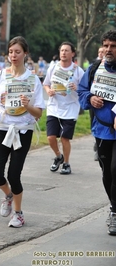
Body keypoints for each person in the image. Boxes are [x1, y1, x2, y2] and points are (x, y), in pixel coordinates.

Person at [0, 36, 45, 228]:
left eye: (17, 52)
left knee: (14, 175)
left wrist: (28, 106)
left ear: (26, 54)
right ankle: (8, 195)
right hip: (2, 127)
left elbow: (39, 114)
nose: (13, 55)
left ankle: (18, 214)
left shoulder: (33, 79)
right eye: (10, 52)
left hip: (22, 130)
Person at [78, 30, 116, 235]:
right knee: (107, 173)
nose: (109, 49)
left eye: (113, 46)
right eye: (106, 45)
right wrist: (90, 99)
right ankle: (114, 206)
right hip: (101, 131)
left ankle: (114, 213)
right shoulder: (94, 69)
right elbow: (82, 90)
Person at [43, 42, 84, 175]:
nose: (63, 53)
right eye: (61, 50)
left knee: (65, 138)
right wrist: (48, 91)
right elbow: (46, 84)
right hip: (54, 106)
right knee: (50, 137)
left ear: (72, 53)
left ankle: (66, 163)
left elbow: (85, 90)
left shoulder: (78, 71)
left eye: (66, 50)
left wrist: (76, 88)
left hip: (70, 108)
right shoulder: (53, 67)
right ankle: (58, 156)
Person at [92, 46, 105, 161]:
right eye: (100, 51)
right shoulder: (94, 66)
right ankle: (97, 145)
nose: (101, 53)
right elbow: (84, 88)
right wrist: (91, 98)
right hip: (95, 104)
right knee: (95, 124)